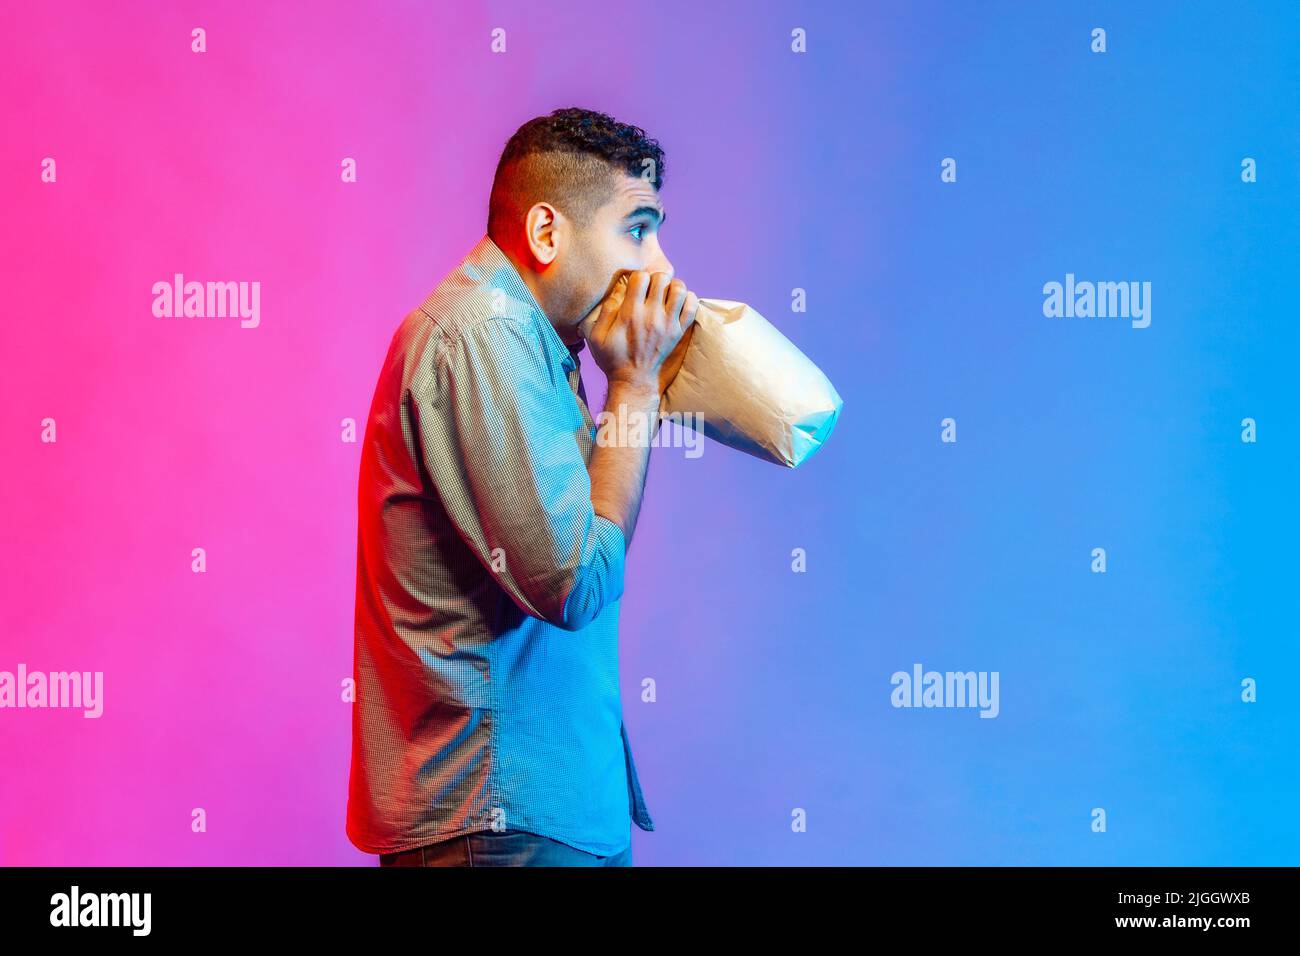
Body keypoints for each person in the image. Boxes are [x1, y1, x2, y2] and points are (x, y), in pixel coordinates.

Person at [347, 107, 699, 867]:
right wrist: (634, 389)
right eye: (637, 230)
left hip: (541, 809)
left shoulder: (534, 345)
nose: (661, 268)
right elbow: (573, 581)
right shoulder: (484, 333)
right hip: (500, 818)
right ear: (546, 234)